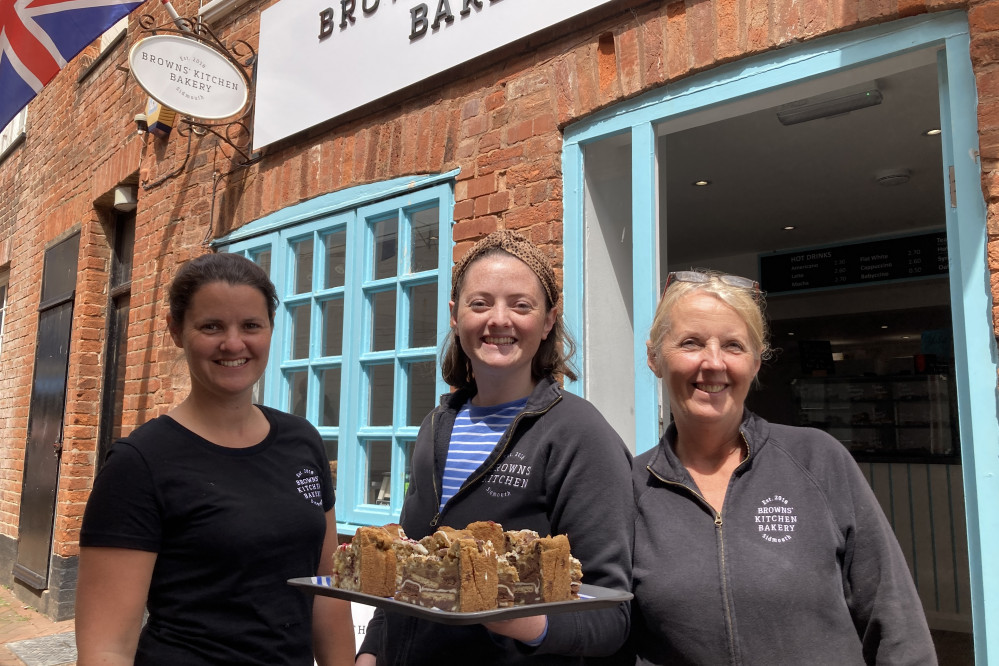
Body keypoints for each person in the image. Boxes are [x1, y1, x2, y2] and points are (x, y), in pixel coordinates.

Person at [629, 269, 937, 665]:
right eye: (691, 342)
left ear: (756, 363)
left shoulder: (817, 459)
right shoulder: (632, 486)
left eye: (734, 346)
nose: (713, 362)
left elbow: (894, 619)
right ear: (655, 356)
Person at [356, 230, 634, 665]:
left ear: (547, 321)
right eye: (479, 303)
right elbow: (406, 563)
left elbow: (612, 614)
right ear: (455, 315)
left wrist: (519, 621)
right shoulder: (435, 426)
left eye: (521, 305)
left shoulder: (579, 435)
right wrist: (371, 651)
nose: (498, 319)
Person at [75, 253, 355, 666]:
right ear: (176, 330)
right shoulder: (140, 463)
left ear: (270, 331)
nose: (233, 344)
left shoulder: (303, 441)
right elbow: (106, 649)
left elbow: (328, 586)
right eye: (211, 326)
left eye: (251, 326)